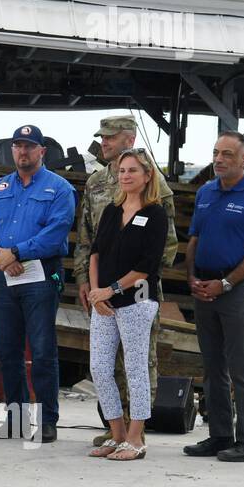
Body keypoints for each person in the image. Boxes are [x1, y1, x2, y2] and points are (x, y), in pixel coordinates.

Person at [73, 116, 178, 447]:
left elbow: (167, 243)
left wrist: (140, 284)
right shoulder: (95, 183)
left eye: (111, 137)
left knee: (139, 363)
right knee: (104, 366)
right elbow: (88, 239)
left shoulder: (154, 184)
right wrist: (86, 283)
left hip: (138, 291)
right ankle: (113, 427)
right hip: (100, 291)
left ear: (129, 139)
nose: (104, 142)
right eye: (101, 137)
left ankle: (137, 430)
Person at [0, 124, 76, 443]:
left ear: (41, 152)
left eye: (29, 146)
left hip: (40, 275)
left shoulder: (59, 189)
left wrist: (17, 252)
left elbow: (57, 231)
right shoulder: (0, 187)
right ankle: (16, 419)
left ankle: (47, 420)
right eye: (18, 146)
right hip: (4, 276)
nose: (22, 151)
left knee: (43, 350)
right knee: (8, 351)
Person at [183, 132, 244, 463]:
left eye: (226, 154)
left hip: (236, 288)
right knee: (212, 366)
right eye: (215, 153)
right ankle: (220, 435)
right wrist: (192, 277)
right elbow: (195, 238)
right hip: (204, 287)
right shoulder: (206, 192)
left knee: (242, 366)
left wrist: (225, 283)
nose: (219, 159)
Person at [86, 149, 168, 461]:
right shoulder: (110, 211)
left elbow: (147, 266)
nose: (125, 176)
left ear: (148, 176)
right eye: (122, 171)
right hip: (104, 302)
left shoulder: (156, 214)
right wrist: (96, 292)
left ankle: (136, 438)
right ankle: (116, 433)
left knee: (135, 369)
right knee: (100, 368)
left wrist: (111, 289)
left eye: (133, 170)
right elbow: (95, 253)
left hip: (136, 300)